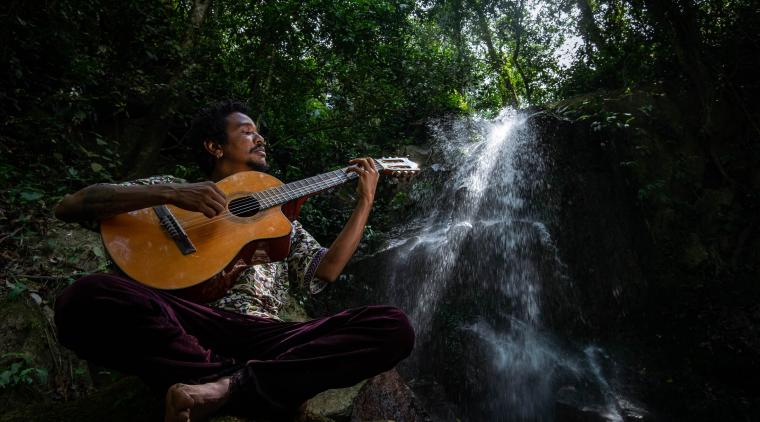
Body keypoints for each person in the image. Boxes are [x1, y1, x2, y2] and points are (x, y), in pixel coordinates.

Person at [53, 100, 415, 422]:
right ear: (214, 147)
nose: (260, 139)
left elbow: (327, 268)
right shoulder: (171, 187)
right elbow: (71, 206)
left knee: (391, 325)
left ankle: (224, 386)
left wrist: (365, 200)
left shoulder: (278, 220)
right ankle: (248, 384)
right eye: (247, 132)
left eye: (259, 133)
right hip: (188, 321)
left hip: (263, 334)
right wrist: (173, 193)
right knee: (86, 295)